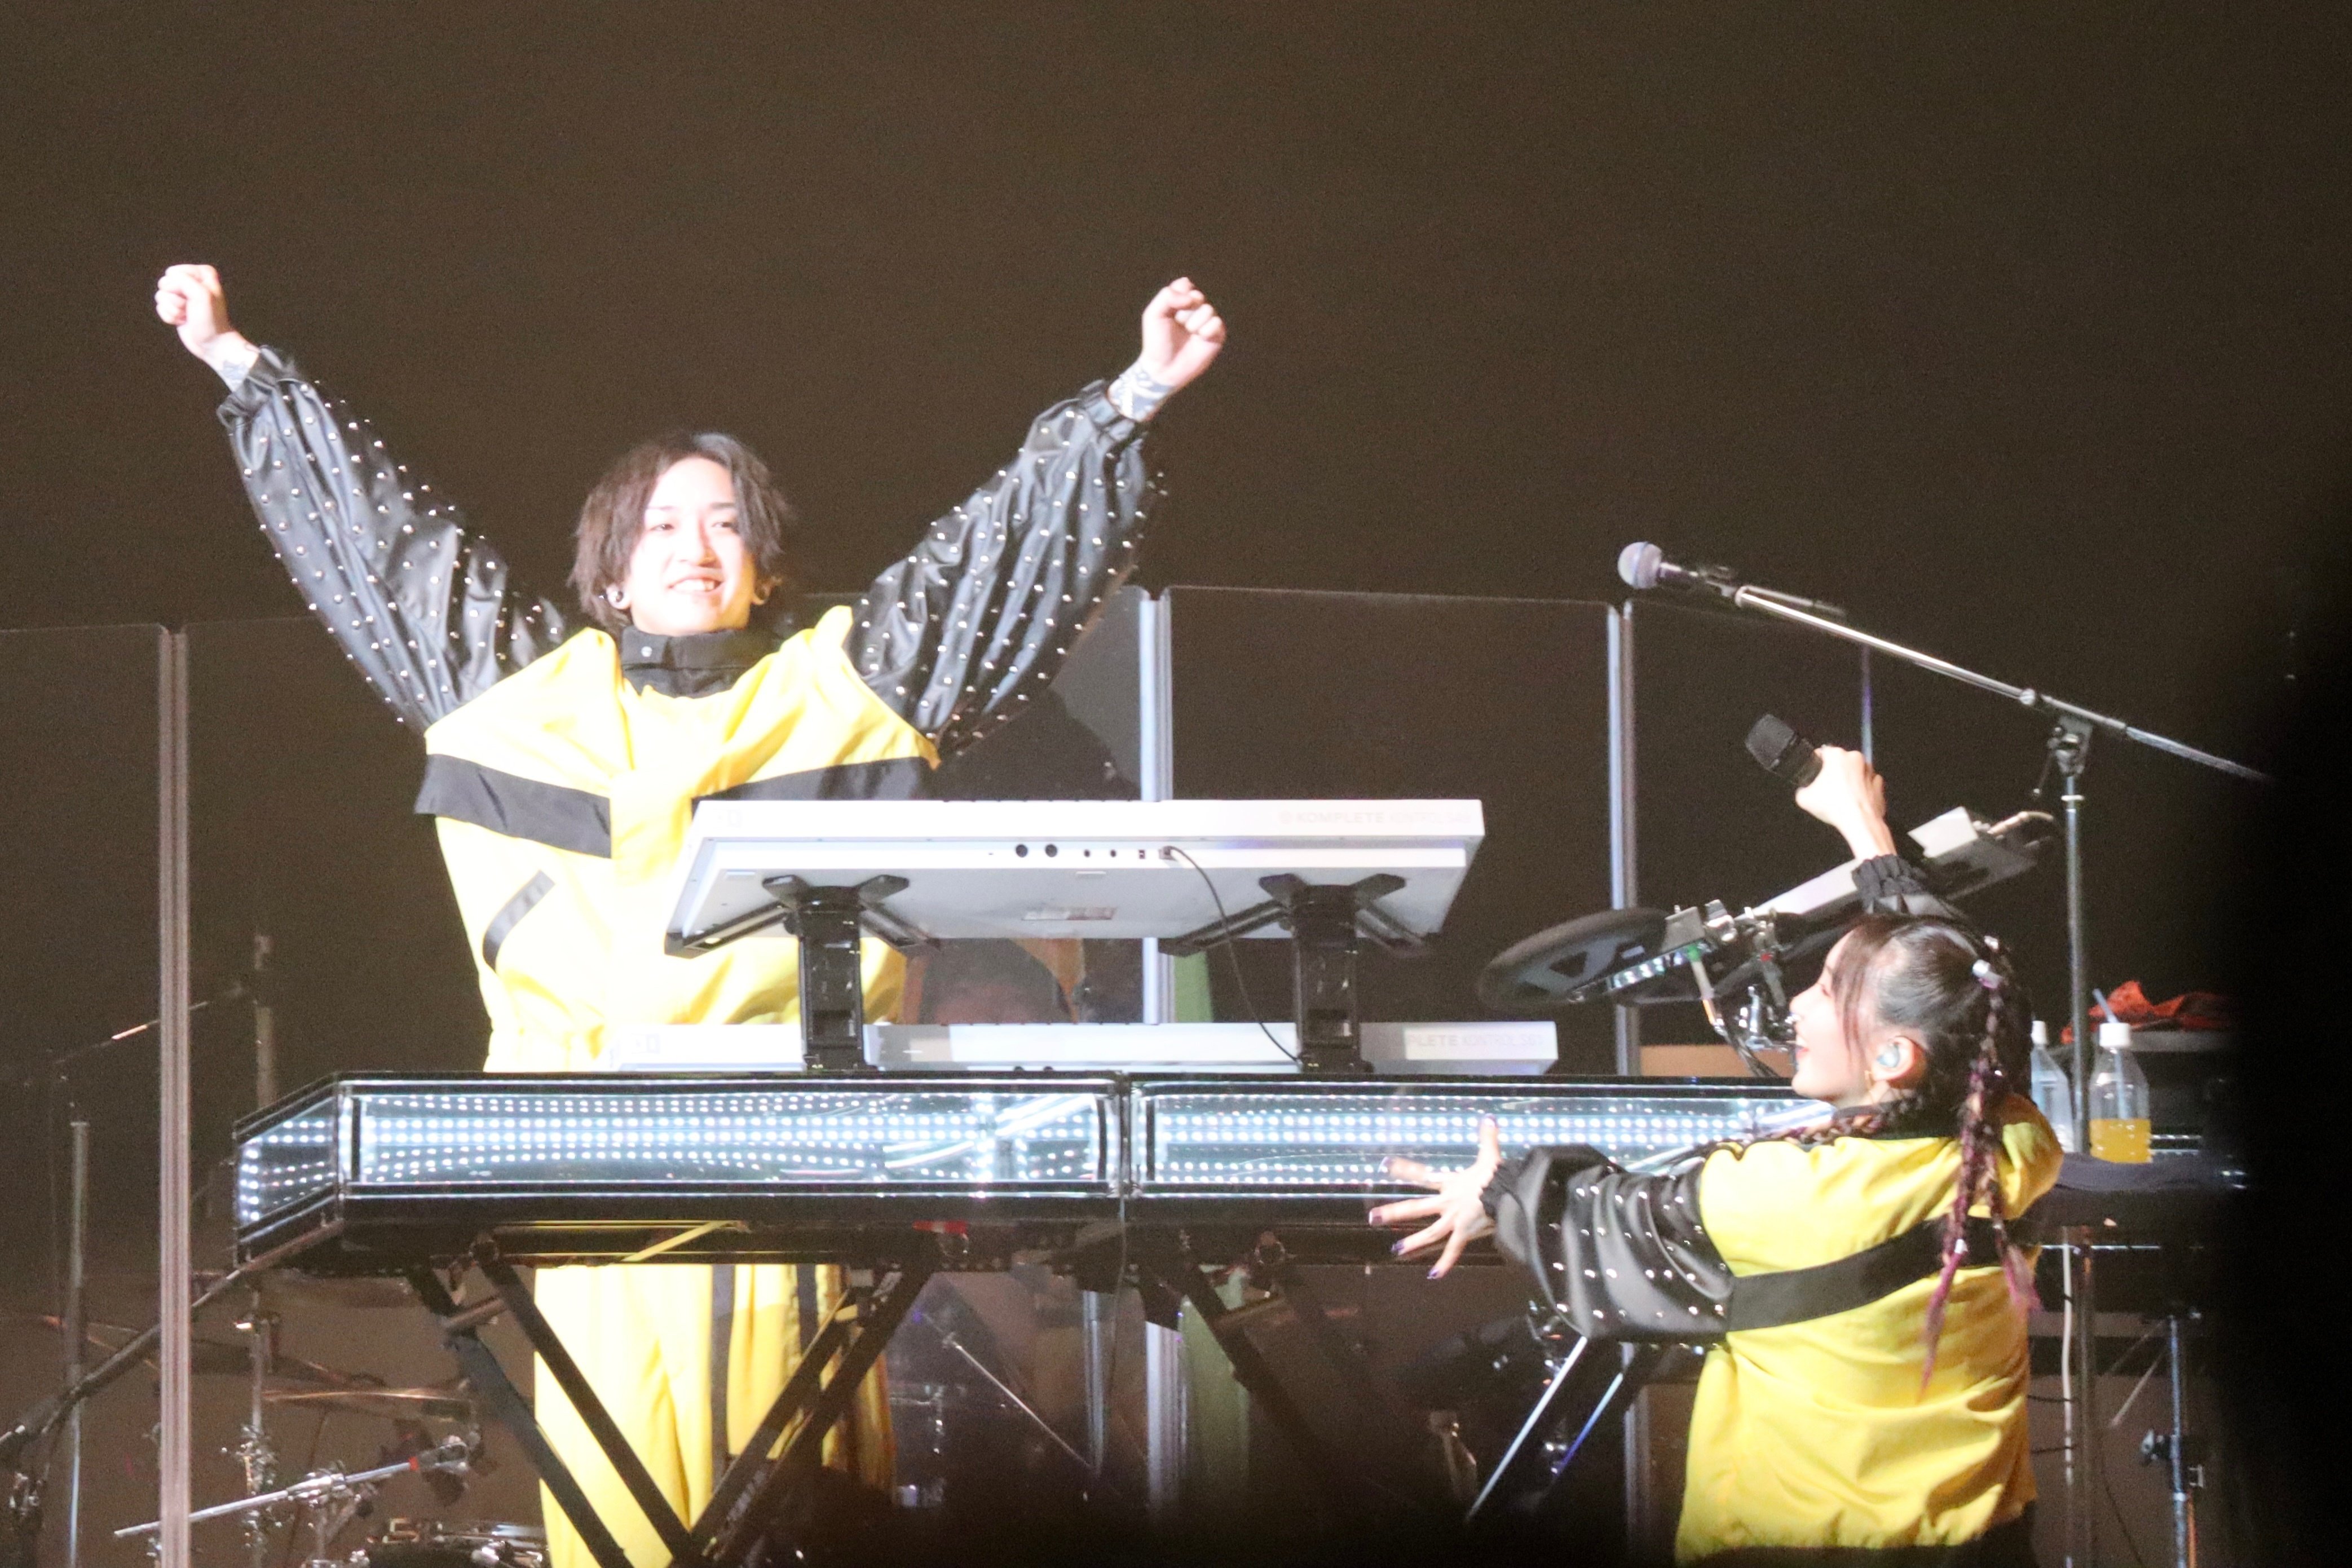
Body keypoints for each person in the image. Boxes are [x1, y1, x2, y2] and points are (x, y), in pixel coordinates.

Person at [155, 262, 1224, 1568]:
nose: (694, 545)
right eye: (661, 523)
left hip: (791, 1161)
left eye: (724, 523)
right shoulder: (520, 697)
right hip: (584, 1175)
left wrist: (1132, 396)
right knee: (621, 1503)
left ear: (764, 566)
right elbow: (384, 545)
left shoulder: (842, 690)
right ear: (608, 566)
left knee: (790, 1497)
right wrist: (243, 368)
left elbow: (992, 558)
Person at [1373, 748, 2061, 1564]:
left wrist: (1494, 1190)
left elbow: (1594, 1216)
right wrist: (1862, 829)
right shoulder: (2013, 1145)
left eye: (1827, 989)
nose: (1797, 1003)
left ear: (1893, 1057)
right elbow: (1969, 989)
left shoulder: (1774, 1198)